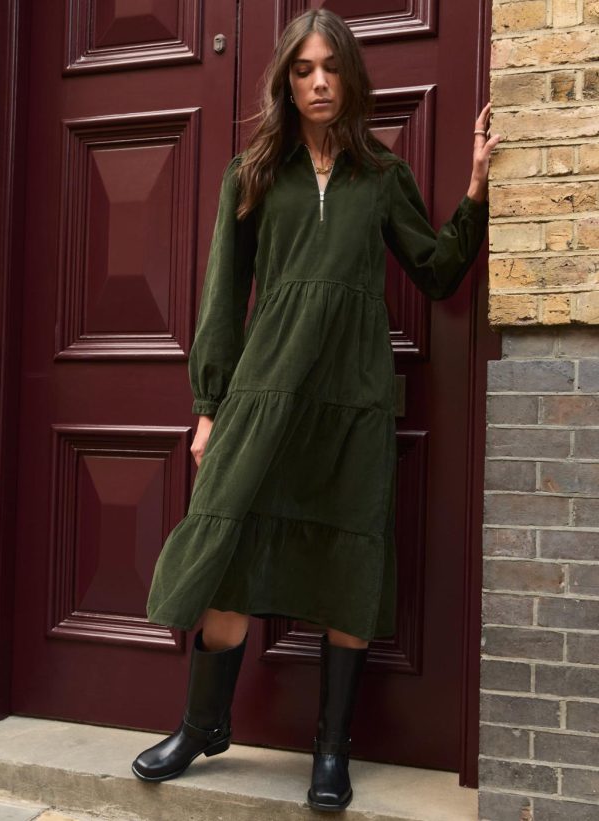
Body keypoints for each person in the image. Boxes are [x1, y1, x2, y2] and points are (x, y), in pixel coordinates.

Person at [131, 8, 500, 813]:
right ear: (287, 82)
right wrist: (209, 406)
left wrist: (475, 190)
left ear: (351, 76)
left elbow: (437, 270)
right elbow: (223, 297)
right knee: (228, 553)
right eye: (303, 70)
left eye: (331, 67)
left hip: (351, 401)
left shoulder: (382, 175)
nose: (319, 82)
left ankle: (332, 749)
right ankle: (201, 724)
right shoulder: (252, 173)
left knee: (349, 562)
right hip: (265, 394)